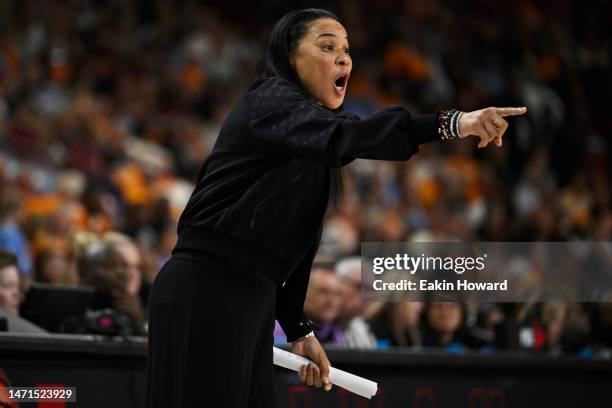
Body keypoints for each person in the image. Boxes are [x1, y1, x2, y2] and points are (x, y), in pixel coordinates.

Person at [145, 8, 527, 407]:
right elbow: (352, 135)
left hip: (251, 296)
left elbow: (295, 243)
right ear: (291, 57)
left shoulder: (313, 135)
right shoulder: (269, 97)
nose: (344, 58)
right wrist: (453, 123)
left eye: (346, 49)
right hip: (208, 287)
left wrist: (298, 329)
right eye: (328, 47)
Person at [303, 266, 343, 344]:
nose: (331, 300)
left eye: (337, 293)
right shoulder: (279, 330)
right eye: (323, 291)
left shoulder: (338, 331)